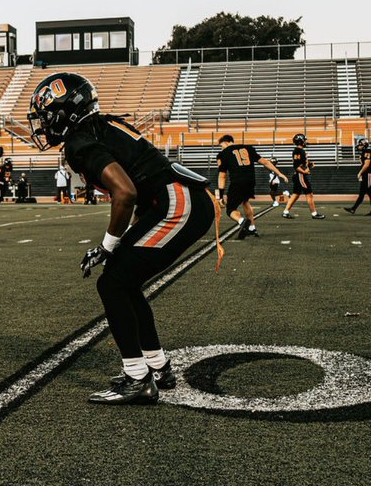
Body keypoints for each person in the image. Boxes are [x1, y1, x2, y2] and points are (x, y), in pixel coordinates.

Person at [24, 72, 219, 404]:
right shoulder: (101, 125)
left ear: (65, 112)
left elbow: (125, 193)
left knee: (112, 283)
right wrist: (117, 245)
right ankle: (157, 367)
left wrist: (108, 245)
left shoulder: (80, 141)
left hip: (177, 202)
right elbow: (139, 188)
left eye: (46, 115)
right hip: (177, 199)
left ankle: (137, 377)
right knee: (122, 280)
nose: (42, 123)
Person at [216, 136, 287, 240]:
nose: (221, 148)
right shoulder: (247, 148)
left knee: (230, 209)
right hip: (250, 181)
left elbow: (222, 176)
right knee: (245, 201)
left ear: (226, 142)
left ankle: (242, 221)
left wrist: (221, 196)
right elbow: (265, 162)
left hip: (237, 182)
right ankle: (252, 228)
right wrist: (280, 173)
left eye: (221, 146)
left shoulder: (223, 154)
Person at [283, 134, 324, 219]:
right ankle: (314, 214)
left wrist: (310, 164)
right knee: (309, 194)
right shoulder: (298, 151)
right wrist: (304, 171)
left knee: (296, 194)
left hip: (299, 175)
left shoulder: (300, 150)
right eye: (304, 140)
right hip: (300, 175)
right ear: (300, 141)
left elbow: (303, 163)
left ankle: (285, 212)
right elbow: (296, 166)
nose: (306, 141)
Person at [345, 139, 371, 216]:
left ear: (364, 145)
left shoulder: (367, 151)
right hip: (366, 175)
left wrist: (360, 173)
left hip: (368, 175)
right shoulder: (364, 152)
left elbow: (367, 164)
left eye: (360, 145)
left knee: (370, 193)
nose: (358, 146)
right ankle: (353, 209)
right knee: (362, 193)